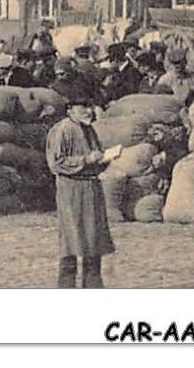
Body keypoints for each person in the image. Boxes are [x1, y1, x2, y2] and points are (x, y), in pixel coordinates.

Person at [46, 86, 119, 288]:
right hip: (72, 191)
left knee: (93, 241)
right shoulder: (62, 130)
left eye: (90, 106)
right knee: (72, 242)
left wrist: (104, 159)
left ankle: (93, 286)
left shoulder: (89, 129)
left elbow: (95, 156)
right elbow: (56, 163)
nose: (88, 111)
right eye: (83, 107)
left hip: (91, 189)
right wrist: (86, 160)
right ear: (70, 109)